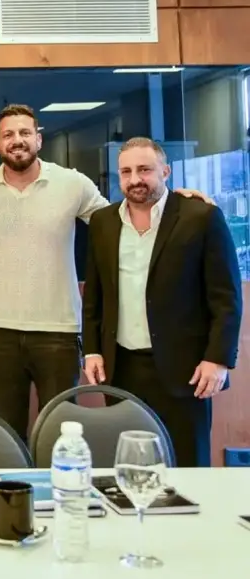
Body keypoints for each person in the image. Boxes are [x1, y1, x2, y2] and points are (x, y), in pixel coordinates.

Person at [0, 103, 212, 440]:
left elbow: (120, 218)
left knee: (58, 435)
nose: (17, 140)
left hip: (59, 333)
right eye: (8, 134)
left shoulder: (72, 184)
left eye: (24, 133)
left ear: (39, 139)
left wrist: (173, 200)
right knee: (6, 434)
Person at [83, 138, 241, 468]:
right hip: (122, 366)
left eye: (144, 169)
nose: (135, 179)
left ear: (166, 172)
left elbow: (226, 297)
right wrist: (93, 349)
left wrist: (218, 359)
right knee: (129, 467)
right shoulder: (104, 222)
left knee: (187, 466)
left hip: (186, 369)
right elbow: (96, 295)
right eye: (126, 171)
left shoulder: (201, 217)